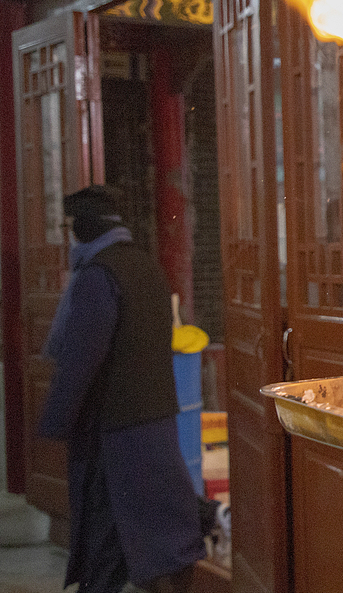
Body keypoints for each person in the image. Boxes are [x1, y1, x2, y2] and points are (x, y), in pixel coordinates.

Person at [39, 186, 206, 593]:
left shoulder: (98, 276)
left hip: (114, 433)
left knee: (106, 539)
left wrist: (54, 423)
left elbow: (81, 360)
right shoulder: (143, 264)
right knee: (153, 536)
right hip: (154, 418)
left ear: (82, 231)